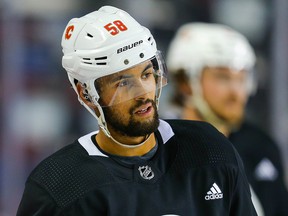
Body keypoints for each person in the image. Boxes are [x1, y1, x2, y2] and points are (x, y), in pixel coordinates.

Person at [17, 6, 257, 215]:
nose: (143, 93)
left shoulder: (209, 150)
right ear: (86, 94)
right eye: (123, 83)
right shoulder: (58, 187)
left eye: (146, 74)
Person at [164, 22, 288, 216]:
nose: (236, 92)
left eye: (241, 78)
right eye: (222, 78)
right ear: (186, 83)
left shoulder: (261, 146)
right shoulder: (158, 149)